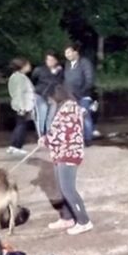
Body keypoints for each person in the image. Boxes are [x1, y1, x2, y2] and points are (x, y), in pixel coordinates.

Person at [41, 84, 93, 235]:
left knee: (68, 190)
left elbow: (62, 134)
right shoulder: (65, 108)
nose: (50, 102)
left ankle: (84, 221)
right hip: (61, 153)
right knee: (62, 188)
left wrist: (46, 140)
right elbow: (58, 131)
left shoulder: (69, 110)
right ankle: (68, 217)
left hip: (68, 154)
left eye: (50, 99)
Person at [63, 43, 95, 145]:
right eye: (65, 53)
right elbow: (66, 80)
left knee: (85, 116)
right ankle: (76, 138)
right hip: (70, 95)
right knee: (71, 117)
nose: (66, 55)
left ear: (75, 52)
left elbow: (89, 79)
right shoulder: (67, 64)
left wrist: (81, 92)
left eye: (68, 52)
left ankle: (88, 139)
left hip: (83, 95)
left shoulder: (85, 63)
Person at [7, 58, 36, 156]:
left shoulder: (15, 76)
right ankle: (17, 146)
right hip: (22, 105)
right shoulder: (20, 78)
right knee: (21, 126)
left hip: (18, 105)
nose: (29, 66)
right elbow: (19, 93)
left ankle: (13, 145)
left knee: (19, 125)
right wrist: (22, 107)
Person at [32, 51, 63, 136]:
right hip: (40, 94)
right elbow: (34, 81)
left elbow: (58, 82)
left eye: (52, 60)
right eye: (48, 60)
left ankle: (49, 132)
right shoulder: (39, 70)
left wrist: (55, 73)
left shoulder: (59, 71)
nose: (50, 62)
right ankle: (41, 134)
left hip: (51, 95)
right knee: (43, 110)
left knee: (52, 113)